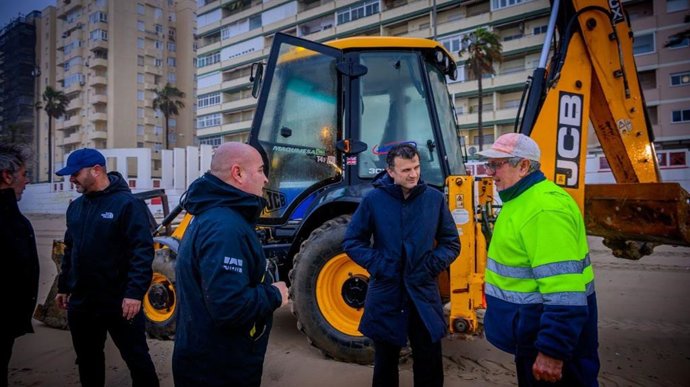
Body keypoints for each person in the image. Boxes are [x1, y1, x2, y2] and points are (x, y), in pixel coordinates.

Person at [477, 133, 599, 386]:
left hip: (550, 346)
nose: (489, 172)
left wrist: (552, 351)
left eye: (496, 164)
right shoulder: (521, 200)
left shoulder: (544, 210)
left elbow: (565, 291)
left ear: (523, 166)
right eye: (489, 164)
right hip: (533, 335)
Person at [342, 143, 460, 387]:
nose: (414, 174)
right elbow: (353, 241)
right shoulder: (373, 200)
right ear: (391, 171)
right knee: (385, 364)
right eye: (406, 170)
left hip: (423, 292)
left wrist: (429, 266)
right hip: (387, 291)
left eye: (416, 167)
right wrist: (381, 265)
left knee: (429, 363)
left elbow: (451, 243)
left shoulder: (434, 199)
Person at [172, 142, 289, 387]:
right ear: (238, 173)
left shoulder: (214, 216)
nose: (266, 179)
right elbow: (230, 307)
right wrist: (274, 294)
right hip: (218, 370)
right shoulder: (224, 228)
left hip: (208, 360)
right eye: (260, 170)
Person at [54, 148, 159, 387]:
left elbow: (142, 252)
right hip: (82, 303)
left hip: (120, 303)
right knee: (88, 361)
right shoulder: (76, 207)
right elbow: (71, 249)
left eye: (75, 173)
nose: (71, 179)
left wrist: (134, 293)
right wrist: (64, 286)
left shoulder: (128, 205)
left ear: (96, 170)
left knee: (137, 360)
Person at [0, 144, 39, 387]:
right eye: (24, 175)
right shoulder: (10, 222)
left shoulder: (14, 219)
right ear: (7, 176)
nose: (26, 182)